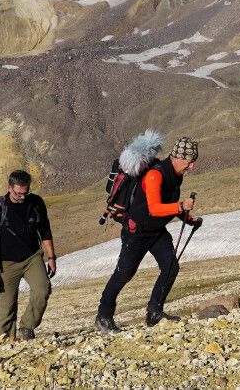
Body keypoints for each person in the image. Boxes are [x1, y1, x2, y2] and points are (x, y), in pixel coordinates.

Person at [95, 132, 201, 333]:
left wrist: (186, 218)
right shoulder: (155, 174)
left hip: (156, 231)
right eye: (190, 161)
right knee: (124, 274)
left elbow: (166, 205)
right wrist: (180, 207)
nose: (192, 166)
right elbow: (154, 208)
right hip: (137, 232)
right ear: (178, 157)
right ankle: (103, 316)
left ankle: (154, 313)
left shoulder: (175, 175)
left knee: (170, 267)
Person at [0, 170, 56, 340]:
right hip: (5, 263)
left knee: (42, 289)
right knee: (7, 307)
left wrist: (51, 257)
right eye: (18, 193)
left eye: (26, 192)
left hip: (32, 257)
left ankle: (27, 326)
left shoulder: (36, 203)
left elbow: (45, 231)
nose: (22, 197)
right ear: (9, 187)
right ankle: (6, 343)